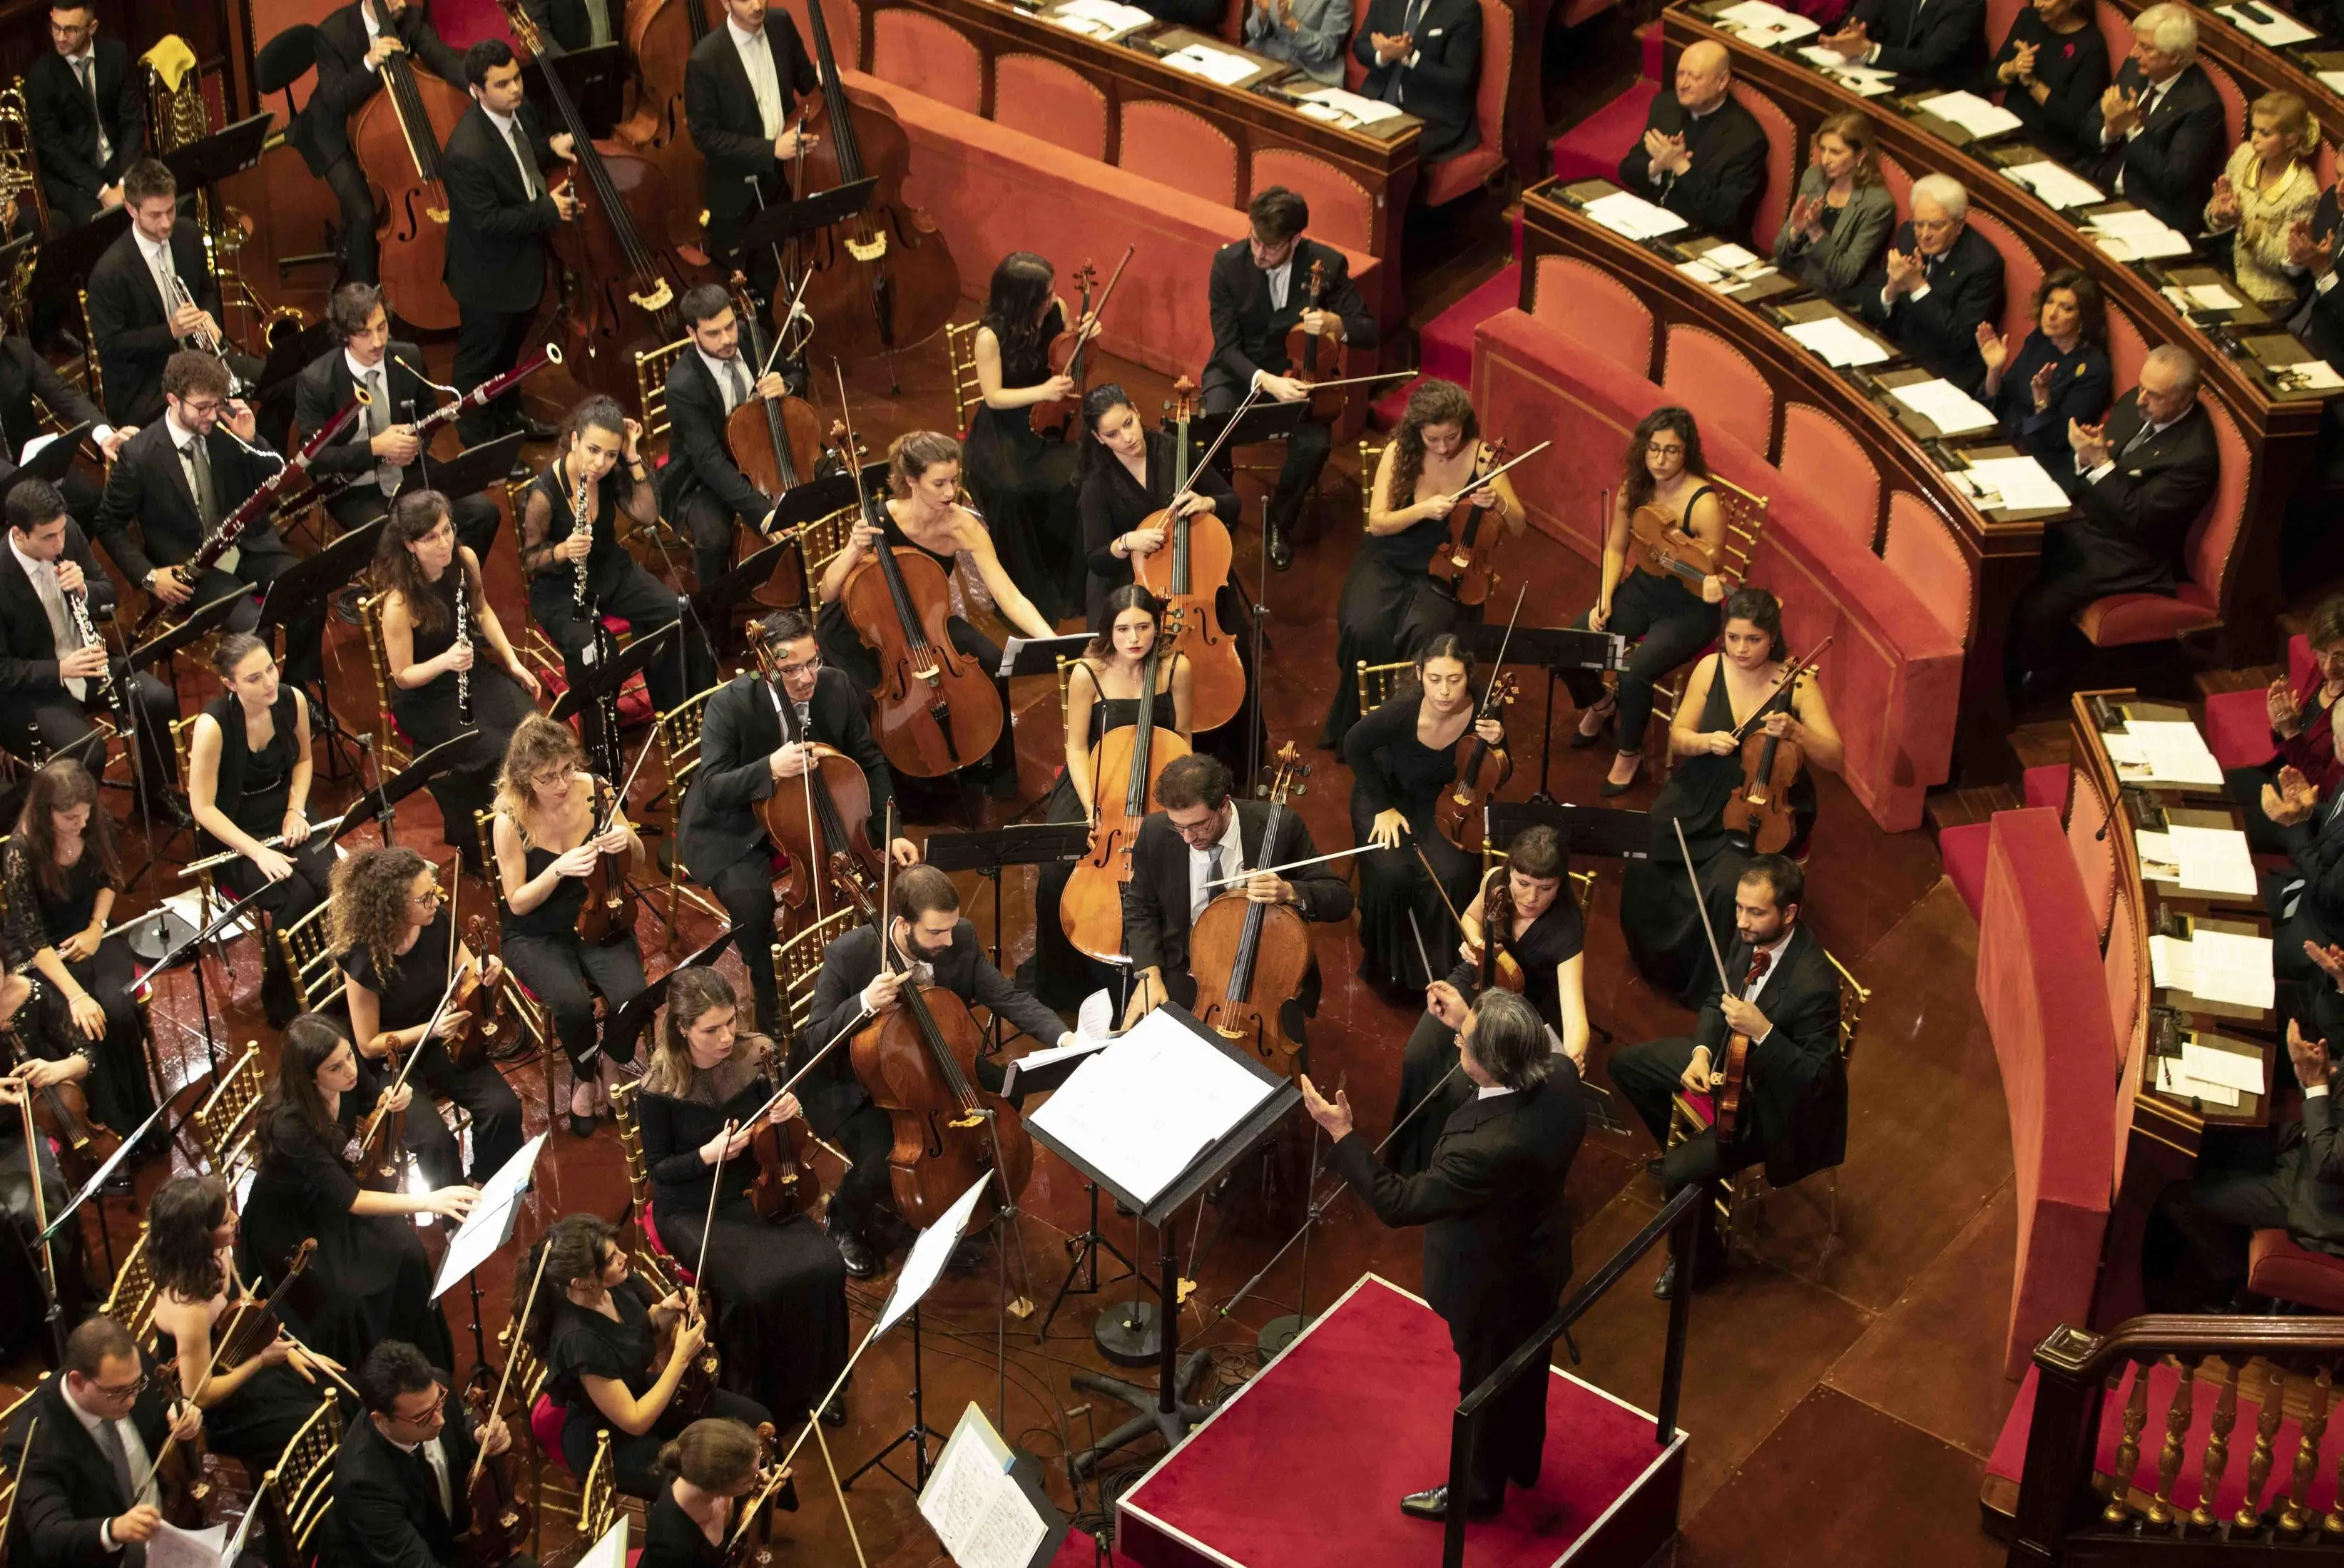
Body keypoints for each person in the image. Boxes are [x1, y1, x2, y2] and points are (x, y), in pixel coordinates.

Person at [1299, 989, 1583, 1522]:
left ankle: (1477, 1491)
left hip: (1489, 1283)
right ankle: (1524, 1462)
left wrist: (1341, 1132)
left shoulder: (1484, 1150)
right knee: (1530, 1365)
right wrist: (1472, 1025)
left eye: (1464, 1040)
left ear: (1487, 1065)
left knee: (1482, 1382)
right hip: (1542, 1258)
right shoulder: (1564, 1079)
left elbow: (1398, 1202)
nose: (1455, 1038)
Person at [804, 866, 1071, 1273]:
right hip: (861, 1079)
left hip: (943, 1056)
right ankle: (843, 1221)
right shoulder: (850, 953)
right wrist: (862, 1003)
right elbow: (813, 1040)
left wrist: (1064, 1038)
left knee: (1008, 1090)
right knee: (882, 1155)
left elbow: (1007, 996)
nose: (948, 941)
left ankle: (949, 1201)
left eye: (950, 929)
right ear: (902, 923)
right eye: (935, 933)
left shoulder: (958, 936)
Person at [1611, 855, 1847, 1297]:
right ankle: (1689, 1153)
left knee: (1679, 1173)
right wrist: (1701, 1055)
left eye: (1755, 912)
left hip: (1772, 1104)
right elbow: (1717, 997)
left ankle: (1701, 1263)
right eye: (1739, 907)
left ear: (1789, 913)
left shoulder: (1813, 983)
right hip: (1727, 1061)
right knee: (1628, 1068)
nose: (1741, 921)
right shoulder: (1749, 936)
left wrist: (1764, 1030)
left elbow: (1816, 1079)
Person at [678, 609, 915, 1039]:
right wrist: (769, 766)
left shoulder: (835, 685)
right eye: (791, 670)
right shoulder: (728, 705)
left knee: (865, 876)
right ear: (766, 667)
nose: (806, 678)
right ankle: (770, 1001)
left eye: (812, 662)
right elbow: (713, 787)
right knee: (753, 907)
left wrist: (891, 831)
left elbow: (869, 759)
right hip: (737, 827)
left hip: (808, 813)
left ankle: (862, 973)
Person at [633, 965, 850, 1418]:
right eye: (711, 1029)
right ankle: (759, 1399)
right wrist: (707, 1155)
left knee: (827, 1262)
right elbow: (661, 1172)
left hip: (760, 1187)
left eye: (731, 1021)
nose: (727, 1036)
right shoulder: (658, 1088)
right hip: (694, 1206)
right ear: (683, 1029)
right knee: (753, 1288)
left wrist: (789, 1109)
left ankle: (819, 1383)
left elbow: (784, 1129)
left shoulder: (759, 1054)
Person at [1621, 588, 1843, 1003]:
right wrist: (1706, 742)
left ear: (1772, 638)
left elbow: (1834, 756)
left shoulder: (1798, 685)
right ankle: (1654, 957)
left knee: (1726, 888)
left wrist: (1797, 731)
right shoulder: (1710, 668)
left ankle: (1709, 987)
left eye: (1754, 640)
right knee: (1647, 848)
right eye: (1734, 637)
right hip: (1702, 784)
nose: (1741, 649)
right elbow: (1680, 735)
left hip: (1764, 802)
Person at [814, 432, 1057, 800]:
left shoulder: (963, 526)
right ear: (912, 481)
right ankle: (904, 791)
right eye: (939, 483)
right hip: (864, 627)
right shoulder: (880, 518)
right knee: (870, 704)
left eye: (955, 480)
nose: (950, 492)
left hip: (926, 616)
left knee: (992, 664)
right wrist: (852, 548)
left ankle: (994, 770)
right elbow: (826, 591)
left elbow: (1007, 594)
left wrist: (1050, 640)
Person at [238, 1014, 471, 1371]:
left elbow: (372, 1100)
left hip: (338, 1194)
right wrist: (430, 1199)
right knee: (349, 1300)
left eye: (350, 1056)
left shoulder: (347, 1074)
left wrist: (392, 1098)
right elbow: (353, 1200)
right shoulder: (289, 1125)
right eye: (336, 1067)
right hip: (294, 1221)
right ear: (309, 1076)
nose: (351, 1070)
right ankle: (374, 1375)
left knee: (409, 1252)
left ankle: (424, 1362)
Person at [2006, 345, 2217, 705]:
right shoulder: (2134, 403)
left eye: (2156, 395)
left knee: (2040, 601)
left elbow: (2140, 516)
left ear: (2185, 398)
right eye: (2142, 387)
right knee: (2014, 558)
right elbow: (2100, 471)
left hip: (2129, 552)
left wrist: (2100, 463)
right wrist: (2085, 455)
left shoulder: (2193, 457)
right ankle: (2001, 661)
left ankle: (2038, 681)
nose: (2142, 399)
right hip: (2088, 519)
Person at [1321, 377, 1520, 749]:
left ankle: (1407, 728)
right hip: (1389, 558)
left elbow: (1519, 524)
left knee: (1425, 639)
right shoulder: (1400, 451)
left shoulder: (1482, 456)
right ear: (1418, 431)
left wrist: (1498, 502)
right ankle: (1357, 724)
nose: (1444, 447)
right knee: (1365, 629)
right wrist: (1423, 509)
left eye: (1452, 436)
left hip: (1448, 569)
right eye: (1434, 439)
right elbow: (1378, 523)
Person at [92, 352, 312, 676]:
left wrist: (252, 439)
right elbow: (107, 524)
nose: (212, 414)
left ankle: (296, 688)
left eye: (217, 403)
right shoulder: (139, 456)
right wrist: (150, 576)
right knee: (255, 629)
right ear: (173, 400)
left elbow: (274, 482)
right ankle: (263, 708)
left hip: (247, 547)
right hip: (195, 569)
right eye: (202, 407)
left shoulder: (224, 428)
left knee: (309, 593)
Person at [1026, 586, 1193, 1011]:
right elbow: (1077, 747)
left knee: (1173, 865)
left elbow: (1185, 737)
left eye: (1143, 627)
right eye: (1123, 629)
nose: (1134, 638)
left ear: (1157, 627)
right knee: (1054, 875)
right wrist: (1090, 806)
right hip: (1096, 779)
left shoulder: (1177, 668)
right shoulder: (1089, 672)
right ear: (1108, 629)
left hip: (1159, 778)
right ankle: (1065, 983)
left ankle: (1166, 970)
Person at [518, 1213, 768, 1496]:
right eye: (612, 1258)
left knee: (756, 1419)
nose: (624, 1256)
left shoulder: (611, 1286)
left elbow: (637, 1327)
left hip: (636, 1390)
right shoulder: (579, 1340)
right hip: (609, 1440)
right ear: (581, 1282)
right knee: (707, 1484)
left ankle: (765, 1507)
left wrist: (666, 1309)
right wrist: (682, 1356)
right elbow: (635, 1421)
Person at [1390, 825, 1589, 1176]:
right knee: (1417, 1057)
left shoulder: (1567, 926)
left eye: (1545, 889)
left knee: (1458, 1089)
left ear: (1559, 887)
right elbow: (1470, 916)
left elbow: (1575, 1014)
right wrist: (1472, 943)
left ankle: (1441, 1169)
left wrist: (1571, 1060)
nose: (1530, 898)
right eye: (1522, 884)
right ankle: (1405, 1158)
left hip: (1519, 1010)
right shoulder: (1496, 880)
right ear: (1510, 872)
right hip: (1478, 979)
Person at [1202, 187, 1377, 571]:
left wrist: (1338, 324)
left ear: (1296, 239)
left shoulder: (1327, 265)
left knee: (1314, 444)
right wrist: (1266, 381)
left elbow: (1368, 330)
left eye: (1270, 247)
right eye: (1254, 239)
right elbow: (1227, 348)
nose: (1258, 252)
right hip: (1241, 370)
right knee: (1212, 421)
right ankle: (1221, 507)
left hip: (1300, 374)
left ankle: (1279, 522)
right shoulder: (1227, 264)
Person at [492, 715, 651, 1139]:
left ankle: (613, 1061)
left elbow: (633, 861)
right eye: (548, 777)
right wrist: (557, 870)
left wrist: (627, 840)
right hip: (536, 931)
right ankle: (584, 1076)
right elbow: (518, 902)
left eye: (566, 769)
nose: (562, 783)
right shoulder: (510, 820)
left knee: (633, 994)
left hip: (598, 912)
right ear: (526, 778)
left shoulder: (593, 789)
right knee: (571, 1003)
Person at [332, 845, 526, 1188]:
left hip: (447, 1038)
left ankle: (485, 1184)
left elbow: (465, 970)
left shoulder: (436, 921)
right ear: (393, 908)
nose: (435, 901)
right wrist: (430, 1029)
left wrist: (484, 970)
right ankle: (453, 1213)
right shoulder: (362, 957)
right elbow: (367, 1045)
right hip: (393, 1060)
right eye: (424, 899)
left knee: (504, 1107)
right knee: (435, 1142)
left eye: (433, 891)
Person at [1116, 750, 1352, 1029]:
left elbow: (1340, 898)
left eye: (1199, 826)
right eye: (1179, 827)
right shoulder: (1155, 831)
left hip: (1262, 966)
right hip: (1187, 962)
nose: (1188, 839)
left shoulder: (1280, 827)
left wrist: (1289, 891)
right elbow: (1139, 905)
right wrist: (1149, 975)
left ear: (1224, 805)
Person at [1561, 407, 1728, 797]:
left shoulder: (1703, 503)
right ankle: (1602, 704)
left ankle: (1629, 751)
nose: (1660, 459)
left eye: (1671, 451)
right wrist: (1604, 597)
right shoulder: (1634, 488)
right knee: (1571, 641)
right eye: (1653, 448)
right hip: (1642, 590)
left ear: (1687, 452)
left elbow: (1710, 568)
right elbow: (1617, 547)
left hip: (1688, 608)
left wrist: (1710, 581)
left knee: (1634, 671)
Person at [373, 489, 541, 861]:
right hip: (427, 695)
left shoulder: (464, 560)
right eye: (431, 538)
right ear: (410, 546)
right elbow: (402, 676)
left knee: (530, 725)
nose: (444, 542)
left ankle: (531, 819)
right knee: (491, 750)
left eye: (447, 530)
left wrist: (512, 662)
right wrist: (446, 661)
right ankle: (491, 842)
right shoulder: (400, 603)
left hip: (469, 671)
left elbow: (481, 610)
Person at [0, 480, 181, 816]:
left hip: (88, 659)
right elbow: (3, 670)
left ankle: (154, 799)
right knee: (88, 751)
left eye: (61, 532)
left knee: (157, 699)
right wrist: (61, 670)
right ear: (20, 534)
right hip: (35, 689)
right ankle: (80, 833)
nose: (59, 543)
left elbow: (108, 592)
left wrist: (84, 588)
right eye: (48, 538)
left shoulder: (66, 533)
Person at [147, 1174, 346, 1470]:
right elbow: (200, 1394)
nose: (236, 1220)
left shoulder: (216, 1253)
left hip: (245, 1353)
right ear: (200, 1236)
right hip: (224, 1407)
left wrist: (288, 1350)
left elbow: (243, 1304)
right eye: (226, 1221)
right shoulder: (191, 1310)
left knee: (338, 1390)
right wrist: (262, 1361)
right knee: (318, 1423)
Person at [3, 759, 154, 1142]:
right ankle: (112, 1130)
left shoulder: (93, 820)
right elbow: (33, 940)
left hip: (92, 936)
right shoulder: (21, 853)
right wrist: (77, 996)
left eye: (85, 815)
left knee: (118, 1010)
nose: (81, 824)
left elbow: (109, 878)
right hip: (46, 957)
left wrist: (95, 929)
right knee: (89, 1022)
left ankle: (143, 1120)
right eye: (71, 818)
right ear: (45, 811)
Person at [188, 633, 333, 1027]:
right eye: (254, 679)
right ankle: (284, 1000)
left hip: (287, 815)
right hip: (234, 834)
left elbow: (304, 762)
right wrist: (257, 851)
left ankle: (328, 977)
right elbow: (201, 807)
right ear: (230, 684)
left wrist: (296, 810)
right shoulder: (213, 726)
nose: (270, 682)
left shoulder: (292, 700)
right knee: (296, 897)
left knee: (331, 881)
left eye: (270, 668)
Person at [1346, 636, 1503, 997]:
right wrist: (1383, 807)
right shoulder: (1402, 710)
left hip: (1447, 801)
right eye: (1434, 679)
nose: (1444, 691)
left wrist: (1500, 740)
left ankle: (1446, 970)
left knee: (1454, 873)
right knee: (1391, 873)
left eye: (1454, 679)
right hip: (1388, 793)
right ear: (1420, 674)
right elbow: (1354, 745)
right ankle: (1392, 973)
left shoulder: (1486, 708)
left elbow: (1496, 770)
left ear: (1469, 677)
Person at [297, 283, 504, 552]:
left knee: (483, 513)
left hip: (409, 472)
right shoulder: (316, 381)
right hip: (354, 487)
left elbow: (428, 415)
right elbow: (312, 459)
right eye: (364, 333)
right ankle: (415, 593)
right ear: (344, 335)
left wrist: (417, 443)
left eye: (382, 327)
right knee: (398, 543)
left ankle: (452, 587)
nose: (378, 342)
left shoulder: (408, 357)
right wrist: (375, 448)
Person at [521, 395, 689, 719]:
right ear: (575, 440)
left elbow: (648, 515)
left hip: (609, 570)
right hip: (560, 591)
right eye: (593, 450)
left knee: (673, 612)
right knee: (598, 652)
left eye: (610, 454)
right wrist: (562, 550)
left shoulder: (609, 473)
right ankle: (600, 732)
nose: (600, 463)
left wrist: (631, 456)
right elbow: (530, 559)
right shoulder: (543, 494)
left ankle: (672, 711)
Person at [444, 39, 577, 444]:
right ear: (476, 91)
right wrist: (547, 211)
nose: (515, 89)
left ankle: (508, 416)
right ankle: (476, 439)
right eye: (501, 84)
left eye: (516, 78)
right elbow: (488, 221)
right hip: (486, 274)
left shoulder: (521, 112)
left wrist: (550, 148)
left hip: (521, 265)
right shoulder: (466, 152)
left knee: (509, 354)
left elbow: (524, 158)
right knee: (480, 360)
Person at [284, 0, 468, 287]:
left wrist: (476, 85)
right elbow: (334, 102)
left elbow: (442, 58)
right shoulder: (332, 34)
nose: (403, 3)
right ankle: (364, 297)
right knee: (363, 212)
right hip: (331, 129)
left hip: (380, 118)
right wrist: (369, 62)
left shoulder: (409, 18)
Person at [0, 1314, 205, 1568]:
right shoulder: (35, 1440)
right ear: (77, 1381)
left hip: (163, 1526)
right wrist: (113, 1530)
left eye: (136, 1386)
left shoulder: (129, 1368)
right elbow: (48, 1533)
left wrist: (183, 1409)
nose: (132, 1401)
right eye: (118, 1392)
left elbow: (166, 1399)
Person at [2164, 1019, 2344, 1288]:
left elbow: (2329, 1163)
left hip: (2319, 1202)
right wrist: (2312, 1073)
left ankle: (2229, 1281)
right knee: (2203, 1145)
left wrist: (2316, 1083)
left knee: (2180, 1198)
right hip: (2304, 1148)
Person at [83, 161, 255, 427]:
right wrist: (171, 332)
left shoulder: (187, 233)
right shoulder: (109, 272)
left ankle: (260, 462)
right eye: (155, 215)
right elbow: (111, 346)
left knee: (281, 381)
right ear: (131, 210)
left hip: (200, 360)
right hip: (148, 383)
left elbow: (207, 290)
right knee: (216, 422)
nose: (166, 223)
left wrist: (209, 318)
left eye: (171, 210)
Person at [335, 1340, 533, 1568]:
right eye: (423, 1417)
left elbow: (463, 1422)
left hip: (464, 1539)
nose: (440, 1420)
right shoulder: (363, 1485)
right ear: (381, 1420)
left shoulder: (434, 1387)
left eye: (438, 1403)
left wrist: (480, 1435)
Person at [964, 252, 1084, 625]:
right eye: (1045, 295)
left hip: (1048, 420)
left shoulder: (1057, 309)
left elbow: (1067, 352)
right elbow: (993, 397)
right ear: (1023, 299)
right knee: (1011, 494)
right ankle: (1025, 594)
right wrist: (1043, 391)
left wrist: (1083, 330)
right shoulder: (989, 337)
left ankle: (1067, 581)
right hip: (1005, 429)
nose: (1053, 299)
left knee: (1076, 478)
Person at [1074, 382, 1241, 632]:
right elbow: (1097, 560)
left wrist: (1207, 503)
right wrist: (1128, 542)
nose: (1127, 437)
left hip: (1190, 563)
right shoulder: (1097, 482)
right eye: (1112, 435)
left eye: (1128, 423)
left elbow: (1233, 502)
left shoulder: (1175, 449)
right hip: (1129, 577)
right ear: (1099, 438)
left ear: (1136, 410)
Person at [661, 282, 790, 594]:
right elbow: (709, 461)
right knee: (714, 537)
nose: (728, 338)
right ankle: (714, 621)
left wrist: (786, 385)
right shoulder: (683, 386)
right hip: (702, 475)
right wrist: (762, 513)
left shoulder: (750, 335)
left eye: (730, 325)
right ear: (692, 334)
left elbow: (794, 373)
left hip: (759, 452)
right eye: (714, 334)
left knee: (814, 493)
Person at [684, 0, 818, 271]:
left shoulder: (780, 24)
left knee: (777, 271)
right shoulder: (704, 60)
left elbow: (806, 81)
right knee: (744, 285)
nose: (757, 5)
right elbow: (705, 137)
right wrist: (771, 150)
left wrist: (822, 73)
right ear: (725, 3)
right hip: (737, 196)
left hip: (784, 178)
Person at [2080, 3, 2224, 238]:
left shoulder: (2203, 106)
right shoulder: (2134, 69)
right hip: (2103, 187)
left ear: (2175, 57)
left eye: (2146, 48)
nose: (2134, 52)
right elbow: (2086, 129)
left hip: (2151, 213)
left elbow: (2171, 180)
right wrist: (2110, 130)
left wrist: (2133, 130)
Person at [1856, 173, 2004, 394]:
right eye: (1919, 224)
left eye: (1936, 226)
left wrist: (1917, 286)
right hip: (1894, 350)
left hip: (1942, 370)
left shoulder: (1983, 264)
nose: (1925, 235)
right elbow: (1867, 299)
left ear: (1959, 224)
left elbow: (1959, 338)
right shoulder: (1908, 234)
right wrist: (1891, 291)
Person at [2226, 596, 2344, 854]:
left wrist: (2291, 733)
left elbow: (2327, 796)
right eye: (2322, 653)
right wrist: (2281, 723)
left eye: (2340, 657)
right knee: (2214, 787)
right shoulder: (2322, 673)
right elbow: (2290, 744)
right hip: (2280, 774)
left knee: (2225, 825)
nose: (2328, 666)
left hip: (2305, 812)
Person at [1618, 41, 1767, 241]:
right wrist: (1656, 166)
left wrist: (1680, 165)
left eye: (1695, 77)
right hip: (1648, 226)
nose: (1683, 84)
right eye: (1680, 74)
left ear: (1722, 82)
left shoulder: (1746, 140)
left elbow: (1723, 216)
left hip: (1701, 239)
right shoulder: (1667, 105)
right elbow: (1627, 170)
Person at [1975, 268, 2114, 466]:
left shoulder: (2093, 370)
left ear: (2083, 319)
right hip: (2002, 438)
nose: (2052, 314)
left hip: (2038, 460)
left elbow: (2059, 440)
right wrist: (1994, 370)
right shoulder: (2040, 339)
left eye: (2066, 308)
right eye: (2050, 302)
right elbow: (2002, 400)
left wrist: (2042, 401)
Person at [24, 0, 143, 229]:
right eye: (55, 27)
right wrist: (103, 191)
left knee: (159, 200)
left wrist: (123, 182)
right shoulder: (41, 77)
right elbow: (54, 151)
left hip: (119, 163)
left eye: (70, 30)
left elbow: (132, 123)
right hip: (72, 178)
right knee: (103, 227)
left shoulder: (116, 55)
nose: (60, 37)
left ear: (92, 27)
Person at [2205, 92, 2321, 309]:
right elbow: (2211, 217)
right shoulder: (2244, 155)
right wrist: (2218, 215)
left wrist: (2244, 225)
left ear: (2291, 138)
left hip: (2266, 295)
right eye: (2254, 129)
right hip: (2221, 268)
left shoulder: (2305, 191)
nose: (2254, 139)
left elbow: (2284, 259)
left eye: (2265, 133)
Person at [1770, 112, 1895, 304]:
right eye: (1823, 149)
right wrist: (1796, 231)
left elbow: (1846, 274)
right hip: (1786, 278)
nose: (1825, 159)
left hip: (1827, 296)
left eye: (1836, 152)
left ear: (1860, 155)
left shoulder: (1877, 205)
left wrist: (1815, 231)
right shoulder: (1814, 178)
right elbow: (1779, 249)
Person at [2257, 716, 2344, 987]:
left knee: (2245, 957)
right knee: (2229, 905)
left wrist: (2295, 824)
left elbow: (2325, 896)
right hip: (2297, 886)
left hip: (2320, 934)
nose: (2333, 744)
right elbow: (2334, 824)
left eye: (2338, 740)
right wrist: (2307, 807)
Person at [0, 332, 120, 528]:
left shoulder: (17, 351)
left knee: (91, 500)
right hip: (9, 477)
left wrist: (104, 435)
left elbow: (65, 397)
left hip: (31, 463)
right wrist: (19, 482)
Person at [1352, 0, 1482, 162]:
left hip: (1431, 119)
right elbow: (1360, 45)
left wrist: (1411, 56)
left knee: (1386, 159)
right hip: (1376, 104)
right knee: (1336, 141)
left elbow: (1457, 80)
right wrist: (1383, 56)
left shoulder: (1464, 8)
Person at [1984, 0, 2110, 165]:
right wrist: (2012, 68)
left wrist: (2032, 83)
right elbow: (1989, 78)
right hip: (2006, 129)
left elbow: (2073, 120)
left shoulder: (2092, 45)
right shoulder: (2029, 18)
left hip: (2048, 148)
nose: (2037, 4)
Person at [641, 1418, 776, 1568]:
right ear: (719, 1486)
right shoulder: (671, 1543)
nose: (758, 1477)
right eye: (749, 1481)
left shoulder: (705, 1474)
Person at [1815, 0, 1987, 88]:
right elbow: (1860, 16)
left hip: (1939, 92)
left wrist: (1870, 51)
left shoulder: (1967, 3)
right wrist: (1847, 37)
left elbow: (1928, 61)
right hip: (1889, 80)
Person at [1243, 0, 1349, 85]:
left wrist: (1291, 23)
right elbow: (1254, 33)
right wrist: (1263, 13)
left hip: (1306, 69)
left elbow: (1327, 49)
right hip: (1263, 57)